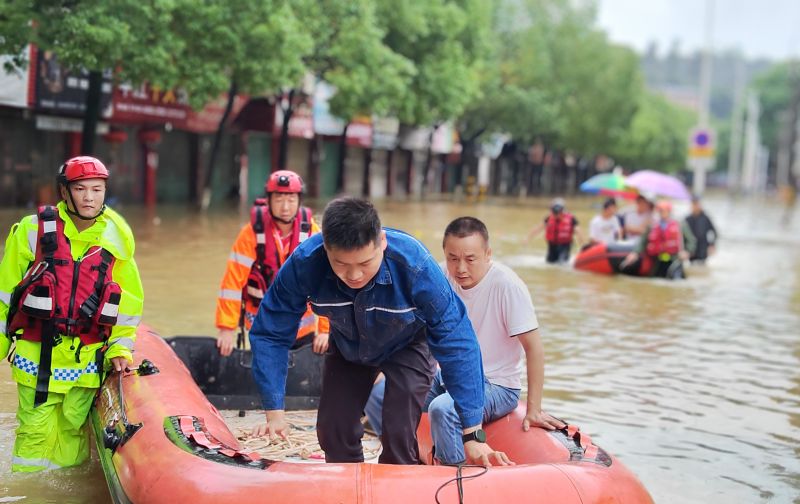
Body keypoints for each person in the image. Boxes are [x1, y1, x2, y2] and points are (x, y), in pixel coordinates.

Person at [249, 197, 510, 467]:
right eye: (341, 264)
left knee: (398, 431)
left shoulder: (415, 265)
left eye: (364, 263)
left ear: (382, 242)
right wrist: (274, 411)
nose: (354, 275)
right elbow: (270, 332)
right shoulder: (304, 263)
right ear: (325, 248)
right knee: (332, 429)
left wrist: (472, 432)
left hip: (408, 344)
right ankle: (349, 489)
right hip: (349, 345)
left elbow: (457, 341)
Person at [365, 217, 564, 465]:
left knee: (443, 409)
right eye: (453, 258)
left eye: (470, 259)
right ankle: (404, 459)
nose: (460, 269)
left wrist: (534, 408)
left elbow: (533, 347)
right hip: (447, 375)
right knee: (377, 395)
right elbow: (407, 324)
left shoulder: (507, 286)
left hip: (497, 385)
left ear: (487, 254)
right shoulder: (439, 277)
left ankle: (454, 474)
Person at [0, 156, 143, 472]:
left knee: (73, 434)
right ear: (65, 192)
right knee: (33, 434)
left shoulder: (117, 238)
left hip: (85, 360)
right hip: (36, 357)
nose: (90, 197)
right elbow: (4, 296)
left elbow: (129, 305)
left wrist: (120, 347)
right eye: (81, 189)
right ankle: (31, 491)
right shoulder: (31, 231)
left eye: (97, 189)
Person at [215, 170, 328, 356]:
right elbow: (232, 283)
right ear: (268, 201)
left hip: (302, 328)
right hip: (263, 326)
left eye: (291, 200)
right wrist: (226, 328)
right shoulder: (251, 233)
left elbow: (326, 283)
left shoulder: (312, 233)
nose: (285, 207)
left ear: (299, 201)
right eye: (278, 200)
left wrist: (325, 331)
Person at [621, 200, 695, 279]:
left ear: (669, 211)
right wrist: (635, 253)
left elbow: (691, 240)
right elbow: (643, 242)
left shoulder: (680, 224)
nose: (661, 212)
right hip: (656, 260)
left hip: (674, 259)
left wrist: (687, 252)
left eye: (663, 210)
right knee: (654, 278)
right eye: (660, 210)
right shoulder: (652, 225)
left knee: (676, 279)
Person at [525, 198, 584, 263]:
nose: (556, 215)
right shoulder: (548, 218)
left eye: (558, 212)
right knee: (550, 262)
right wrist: (528, 238)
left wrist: (581, 245)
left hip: (565, 245)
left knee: (562, 262)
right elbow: (538, 228)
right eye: (554, 212)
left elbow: (579, 231)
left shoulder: (571, 219)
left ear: (562, 211)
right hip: (552, 245)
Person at [684, 195, 717, 263]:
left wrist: (712, 245)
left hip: (703, 248)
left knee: (702, 264)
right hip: (691, 249)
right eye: (693, 204)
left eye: (697, 204)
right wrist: (685, 249)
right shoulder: (687, 219)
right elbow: (683, 235)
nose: (695, 206)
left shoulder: (705, 218)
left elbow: (714, 232)